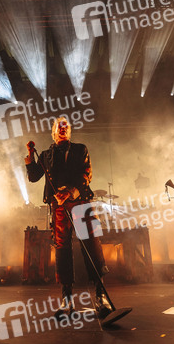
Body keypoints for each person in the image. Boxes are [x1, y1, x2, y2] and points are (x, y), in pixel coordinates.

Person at [25, 117, 110, 318]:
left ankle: (101, 296)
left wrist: (70, 192)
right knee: (62, 247)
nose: (63, 129)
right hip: (59, 206)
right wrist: (30, 155)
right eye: (59, 127)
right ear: (53, 132)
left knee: (91, 243)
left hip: (81, 201)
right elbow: (34, 176)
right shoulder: (45, 154)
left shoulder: (80, 149)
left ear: (69, 131)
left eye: (66, 127)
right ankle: (67, 299)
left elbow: (87, 174)